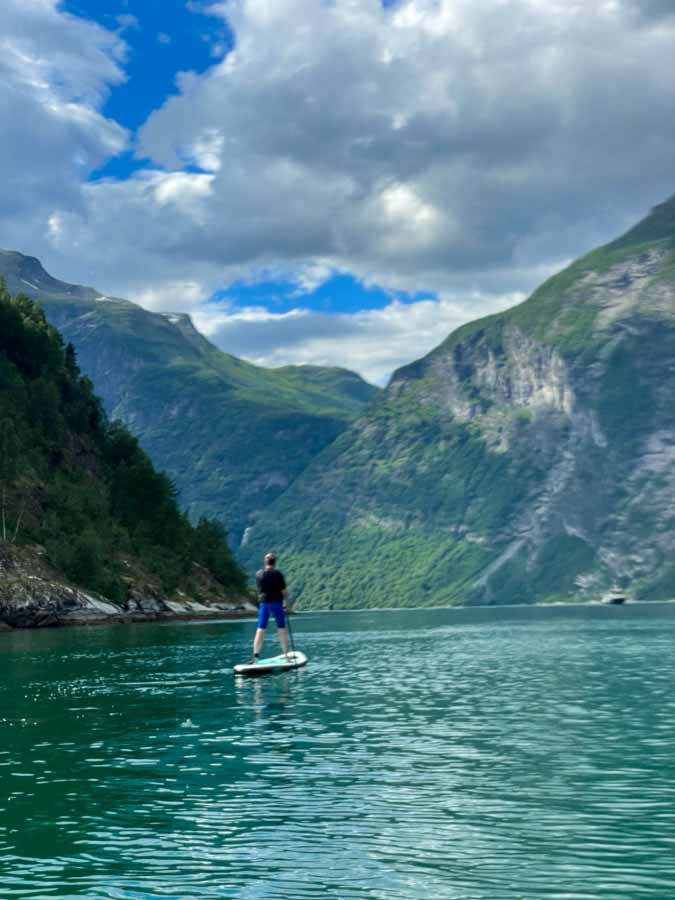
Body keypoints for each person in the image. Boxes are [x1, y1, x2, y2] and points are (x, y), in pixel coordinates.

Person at [251, 552, 290, 663]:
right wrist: (286, 604)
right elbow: (284, 592)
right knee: (281, 629)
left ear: (265, 562)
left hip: (264, 604)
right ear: (275, 562)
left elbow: (259, 590)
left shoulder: (259, 574)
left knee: (260, 630)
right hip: (277, 604)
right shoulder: (278, 574)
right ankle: (286, 656)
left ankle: (255, 657)